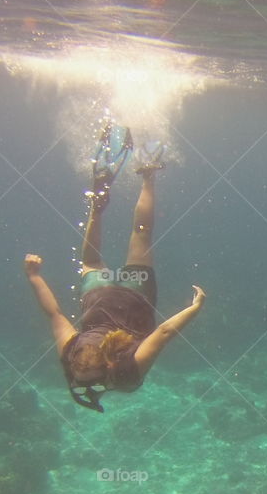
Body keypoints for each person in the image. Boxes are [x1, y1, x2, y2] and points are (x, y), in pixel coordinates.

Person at [25, 122, 205, 412]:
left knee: (141, 233)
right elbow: (54, 314)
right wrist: (34, 277)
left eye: (89, 384)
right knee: (91, 261)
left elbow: (163, 334)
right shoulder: (70, 352)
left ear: (110, 366)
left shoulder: (130, 367)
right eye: (92, 385)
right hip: (98, 293)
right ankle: (96, 205)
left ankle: (147, 173)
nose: (90, 389)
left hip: (135, 293)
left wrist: (194, 308)